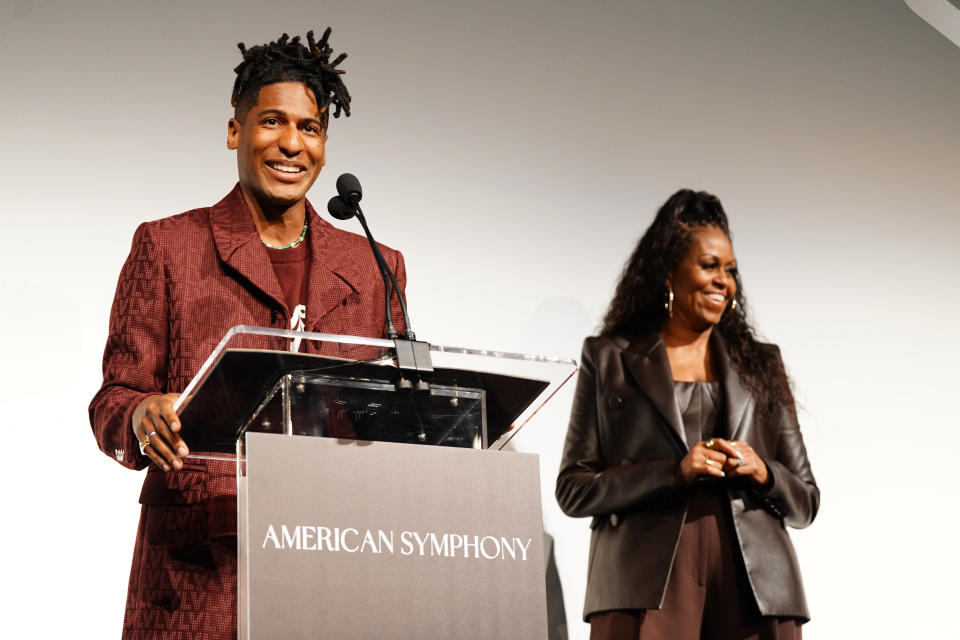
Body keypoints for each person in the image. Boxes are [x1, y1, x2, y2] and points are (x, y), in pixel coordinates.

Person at [88, 29, 406, 639]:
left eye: (309, 128)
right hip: (200, 568)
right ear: (235, 132)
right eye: (271, 122)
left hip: (331, 558)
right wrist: (139, 416)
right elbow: (114, 397)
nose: (291, 144)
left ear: (325, 141)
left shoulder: (376, 266)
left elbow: (392, 412)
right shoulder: (169, 247)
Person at [555, 190, 819, 639]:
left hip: (756, 584)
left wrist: (763, 471)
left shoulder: (762, 364)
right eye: (709, 265)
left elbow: (806, 502)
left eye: (731, 270)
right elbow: (574, 491)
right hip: (643, 583)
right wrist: (673, 473)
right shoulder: (610, 357)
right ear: (669, 272)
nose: (724, 281)